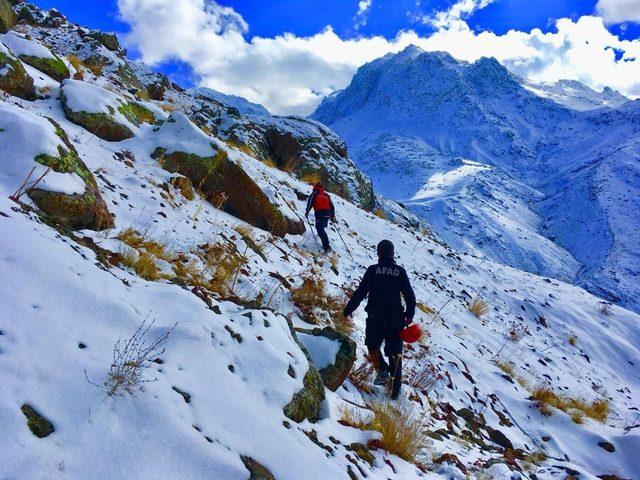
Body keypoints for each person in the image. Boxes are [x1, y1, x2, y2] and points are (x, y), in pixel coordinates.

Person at [343, 240, 416, 399]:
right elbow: (410, 296)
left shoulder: (372, 270)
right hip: (396, 320)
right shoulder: (400, 271)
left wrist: (347, 310)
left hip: (375, 318)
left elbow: (360, 293)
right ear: (393, 253)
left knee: (372, 346)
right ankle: (394, 394)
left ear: (378, 253)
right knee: (395, 355)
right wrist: (409, 315)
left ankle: (382, 370)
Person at [305, 182, 335, 253]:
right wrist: (332, 215)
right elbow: (332, 206)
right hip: (327, 213)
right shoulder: (326, 195)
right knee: (321, 228)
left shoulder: (314, 194)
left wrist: (307, 212)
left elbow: (310, 203)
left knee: (319, 229)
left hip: (320, 213)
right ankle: (326, 245)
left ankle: (326, 247)